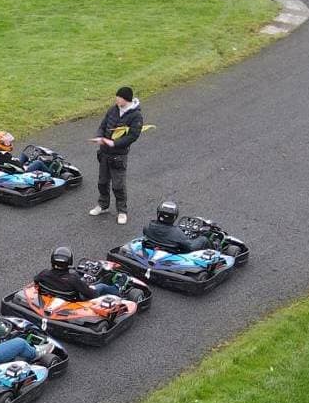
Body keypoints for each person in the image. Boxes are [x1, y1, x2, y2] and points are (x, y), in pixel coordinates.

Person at [89, 86, 144, 225]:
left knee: (118, 185)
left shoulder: (135, 116)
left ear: (125, 99)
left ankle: (122, 211)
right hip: (104, 153)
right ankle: (103, 205)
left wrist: (115, 143)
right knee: (102, 182)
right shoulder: (113, 109)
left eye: (118, 97)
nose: (116, 99)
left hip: (118, 155)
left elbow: (133, 136)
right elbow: (103, 125)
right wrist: (99, 137)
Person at [34, 246, 120, 301]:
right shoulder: (73, 280)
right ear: (69, 262)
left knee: (77, 274)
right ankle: (119, 290)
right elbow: (92, 295)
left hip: (52, 296)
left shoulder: (44, 274)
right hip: (74, 301)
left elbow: (36, 280)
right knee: (102, 286)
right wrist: (89, 286)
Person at [141, 200, 213, 253]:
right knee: (204, 239)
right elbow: (190, 247)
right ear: (174, 217)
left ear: (158, 213)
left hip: (156, 247)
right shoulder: (177, 234)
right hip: (173, 253)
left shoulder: (147, 227)